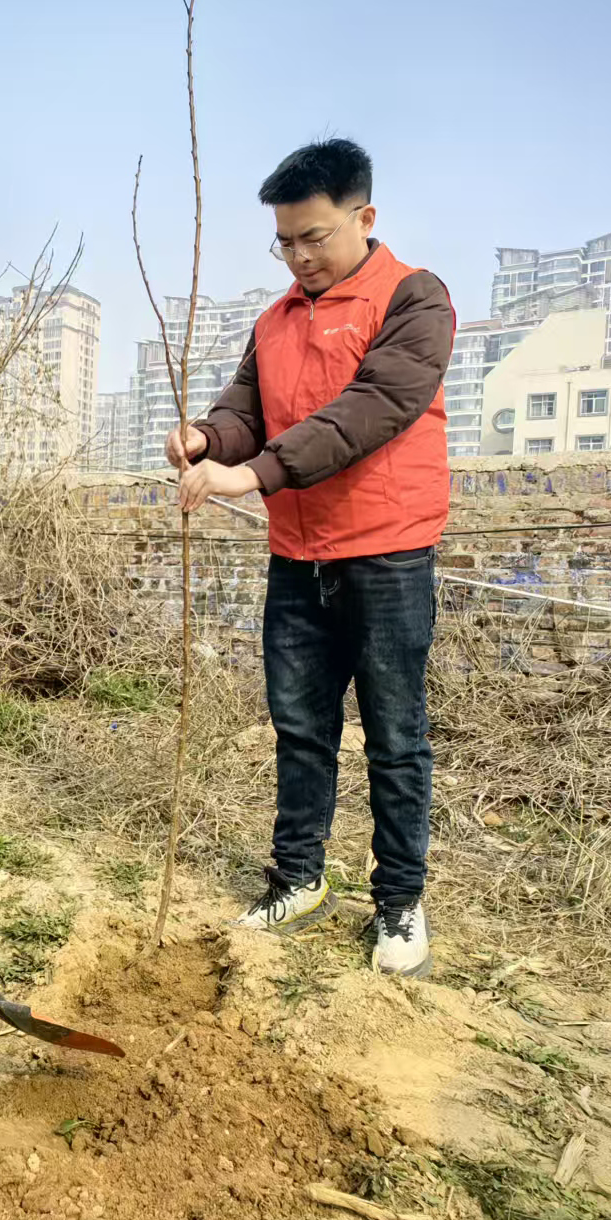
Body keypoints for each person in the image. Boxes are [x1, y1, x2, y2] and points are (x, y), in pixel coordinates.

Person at [165, 138, 454, 978]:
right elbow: (246, 409)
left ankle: (399, 899)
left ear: (364, 217)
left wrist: (252, 473)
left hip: (387, 554)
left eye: (314, 237)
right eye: (284, 242)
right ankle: (298, 876)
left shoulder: (414, 298)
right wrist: (207, 437)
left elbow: (369, 410)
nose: (299, 257)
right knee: (300, 727)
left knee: (395, 735)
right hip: (297, 553)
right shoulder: (276, 320)